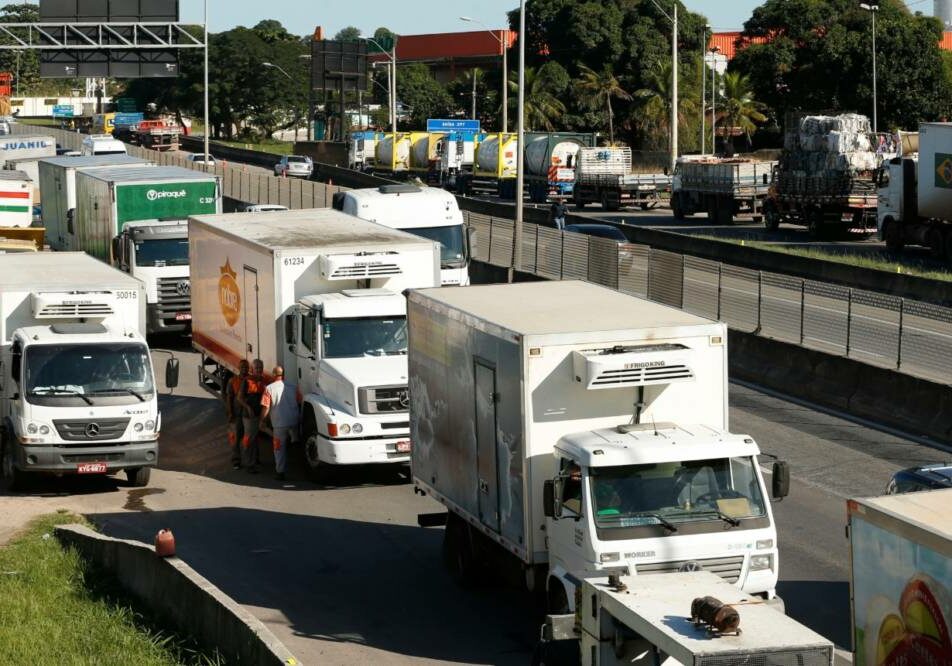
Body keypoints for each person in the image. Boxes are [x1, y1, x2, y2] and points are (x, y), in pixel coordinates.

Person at [259, 365, 301, 482]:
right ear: (283, 375)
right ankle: (300, 466)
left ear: (273, 374)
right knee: (295, 442)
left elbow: (266, 407)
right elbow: (299, 401)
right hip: (293, 421)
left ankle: (280, 472)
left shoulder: (269, 388)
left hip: (279, 424)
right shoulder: (293, 387)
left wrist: (262, 421)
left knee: (279, 448)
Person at [236, 359, 266, 473]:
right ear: (252, 370)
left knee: (255, 438)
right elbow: (239, 398)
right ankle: (249, 464)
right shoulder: (247, 381)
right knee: (249, 439)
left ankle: (254, 460)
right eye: (256, 368)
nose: (259, 370)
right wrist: (248, 408)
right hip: (249, 416)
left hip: (259, 415)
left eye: (260, 368)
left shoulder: (262, 381)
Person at [224, 360, 249, 470]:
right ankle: (236, 460)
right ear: (238, 368)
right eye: (242, 367)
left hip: (248, 415)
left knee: (250, 438)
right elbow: (229, 397)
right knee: (236, 438)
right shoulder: (232, 381)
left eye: (246, 367)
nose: (244, 368)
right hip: (237, 414)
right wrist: (230, 412)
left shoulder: (251, 380)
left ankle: (253, 459)